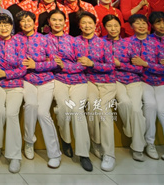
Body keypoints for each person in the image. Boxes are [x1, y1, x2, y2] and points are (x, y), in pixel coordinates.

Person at [130, 13, 164, 162]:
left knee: (162, 110)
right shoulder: (132, 43)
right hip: (145, 81)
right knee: (150, 105)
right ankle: (150, 143)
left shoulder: (157, 44)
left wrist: (146, 64)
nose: (141, 26)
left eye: (143, 23)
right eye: (137, 23)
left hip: (163, 82)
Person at [49, 9, 93, 171]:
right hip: (57, 79)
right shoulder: (44, 40)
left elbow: (82, 64)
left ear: (65, 22)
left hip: (78, 80)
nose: (57, 23)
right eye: (54, 20)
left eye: (60, 20)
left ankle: (83, 154)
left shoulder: (74, 41)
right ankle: (65, 139)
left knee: (77, 110)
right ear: (49, 22)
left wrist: (64, 65)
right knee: (62, 107)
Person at [16, 11, 62, 169]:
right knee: (30, 106)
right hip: (27, 80)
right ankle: (29, 141)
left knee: (43, 113)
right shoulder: (16, 39)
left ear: (34, 22)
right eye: (23, 21)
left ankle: (54, 154)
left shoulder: (45, 39)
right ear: (19, 24)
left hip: (46, 80)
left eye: (29, 20)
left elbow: (55, 62)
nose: (26, 24)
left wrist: (36, 65)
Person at [76, 11, 117, 171]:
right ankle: (96, 142)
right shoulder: (74, 42)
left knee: (105, 113)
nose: (87, 26)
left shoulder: (104, 43)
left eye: (90, 23)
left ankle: (109, 154)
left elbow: (111, 66)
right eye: (84, 23)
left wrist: (92, 64)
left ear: (95, 25)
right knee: (92, 107)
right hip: (88, 81)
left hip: (107, 83)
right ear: (79, 26)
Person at [104, 14, 146, 161]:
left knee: (137, 109)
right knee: (125, 102)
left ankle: (138, 148)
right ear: (104, 27)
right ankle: (129, 130)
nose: (113, 29)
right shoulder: (101, 43)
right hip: (114, 80)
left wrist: (120, 64)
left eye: (116, 25)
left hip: (134, 80)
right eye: (109, 26)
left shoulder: (129, 43)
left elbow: (139, 68)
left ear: (120, 27)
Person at [0, 13, 25, 173]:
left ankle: (15, 156)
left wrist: (5, 73)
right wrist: (3, 72)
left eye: (7, 24)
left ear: (12, 26)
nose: (3, 28)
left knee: (11, 114)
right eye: (0, 25)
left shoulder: (19, 42)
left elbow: (23, 68)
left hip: (16, 84)